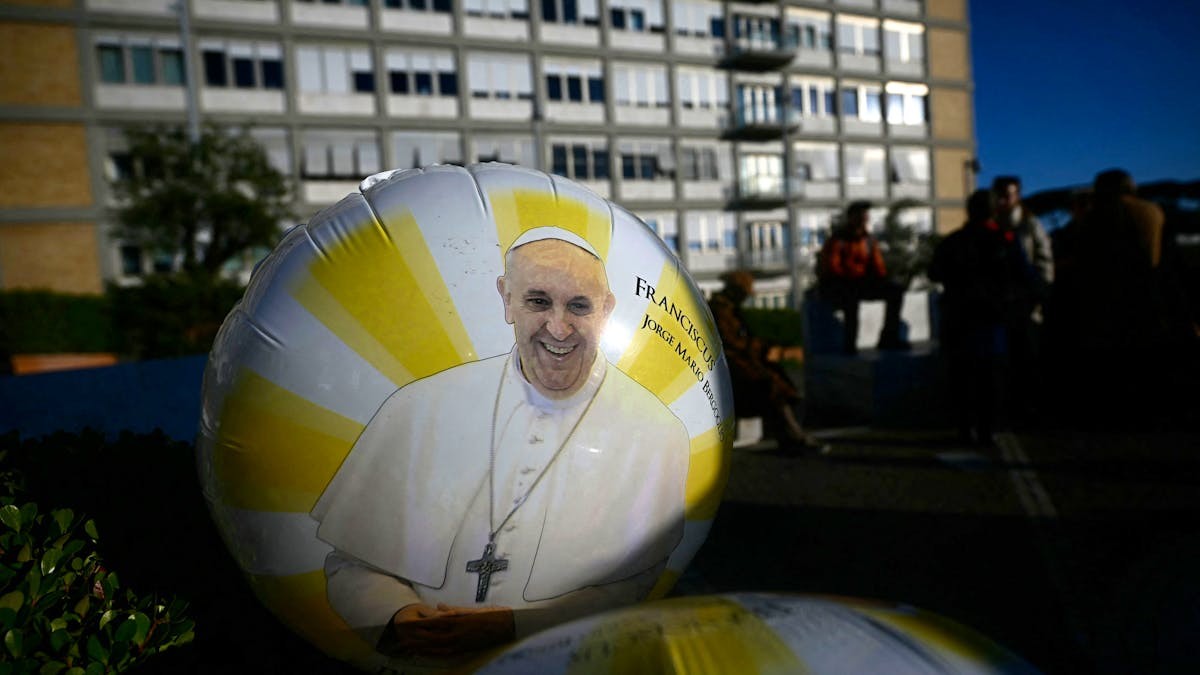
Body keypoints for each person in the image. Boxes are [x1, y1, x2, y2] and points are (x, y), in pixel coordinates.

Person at [310, 228, 690, 662]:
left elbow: (635, 583)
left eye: (579, 306)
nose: (558, 327)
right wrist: (395, 615)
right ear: (507, 300)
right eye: (538, 302)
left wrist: (514, 628)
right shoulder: (420, 407)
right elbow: (353, 562)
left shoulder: (655, 431)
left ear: (606, 311)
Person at [928, 189, 1036, 446]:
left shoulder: (953, 241)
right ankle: (986, 430)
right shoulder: (1004, 240)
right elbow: (1025, 275)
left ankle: (965, 429)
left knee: (961, 376)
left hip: (958, 316)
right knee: (989, 377)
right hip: (991, 318)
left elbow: (934, 272)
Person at [708, 270, 815, 451]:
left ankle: (791, 433)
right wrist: (766, 350)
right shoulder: (720, 311)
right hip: (728, 369)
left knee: (779, 379)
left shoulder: (729, 309)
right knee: (769, 386)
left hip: (737, 364)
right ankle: (792, 438)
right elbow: (733, 343)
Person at [991, 176, 1053, 425]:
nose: (1004, 200)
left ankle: (1029, 407)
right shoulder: (993, 225)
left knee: (1028, 356)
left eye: (1009, 195)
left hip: (1026, 301)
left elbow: (1044, 258)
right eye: (1001, 195)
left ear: (1017, 196)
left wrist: (1041, 291)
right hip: (1001, 302)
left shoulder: (1029, 224)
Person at [817, 201, 910, 355]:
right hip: (840, 284)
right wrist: (853, 279)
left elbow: (878, 266)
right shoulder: (838, 240)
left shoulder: (868, 240)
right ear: (851, 217)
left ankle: (888, 338)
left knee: (895, 292)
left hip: (861, 283)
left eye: (865, 214)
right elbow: (832, 267)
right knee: (850, 300)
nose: (863, 218)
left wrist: (879, 279)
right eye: (859, 215)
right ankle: (850, 345)